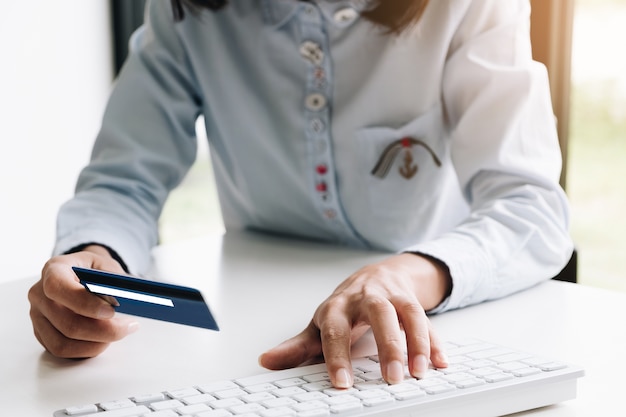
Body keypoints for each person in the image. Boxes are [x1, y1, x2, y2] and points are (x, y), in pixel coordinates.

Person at [28, 0, 573, 389]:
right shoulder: (187, 12)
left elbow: (533, 208)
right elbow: (124, 181)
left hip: (439, 333)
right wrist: (95, 254)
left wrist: (403, 276)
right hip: (244, 341)